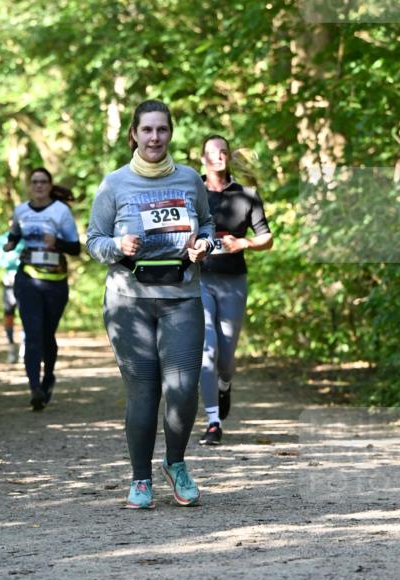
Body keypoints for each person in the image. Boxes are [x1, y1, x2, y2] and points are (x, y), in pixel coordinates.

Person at [86, 99, 214, 510]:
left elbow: (208, 224)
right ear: (134, 135)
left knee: (181, 390)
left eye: (162, 130)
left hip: (182, 297)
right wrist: (117, 245)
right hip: (129, 302)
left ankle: (175, 464)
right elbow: (93, 241)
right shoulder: (114, 184)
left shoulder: (191, 179)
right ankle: (140, 479)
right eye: (147, 130)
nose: (155, 137)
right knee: (143, 392)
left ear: (170, 133)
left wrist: (204, 244)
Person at [198, 135, 272, 446]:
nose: (218, 157)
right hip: (198, 280)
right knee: (207, 352)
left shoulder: (247, 196)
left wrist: (243, 242)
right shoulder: (191, 192)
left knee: (226, 357)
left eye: (223, 152)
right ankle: (213, 422)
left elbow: (267, 239)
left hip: (233, 282)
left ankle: (225, 385)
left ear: (228, 157)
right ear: (202, 159)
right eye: (211, 153)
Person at [4, 168, 80, 411]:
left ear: (50, 185)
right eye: (34, 182)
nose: (39, 186)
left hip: (55, 282)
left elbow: (76, 248)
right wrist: (11, 243)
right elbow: (14, 233)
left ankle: (48, 378)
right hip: (27, 279)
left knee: (47, 334)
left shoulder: (60, 211)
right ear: (29, 185)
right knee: (32, 332)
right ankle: (34, 387)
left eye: (43, 182)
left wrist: (55, 242)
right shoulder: (21, 210)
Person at [0, 224, 24, 364]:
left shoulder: (27, 238)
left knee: (27, 315)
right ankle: (11, 345)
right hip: (9, 281)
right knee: (9, 313)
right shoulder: (3, 239)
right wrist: (10, 259)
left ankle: (25, 347)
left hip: (26, 281)